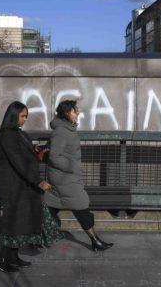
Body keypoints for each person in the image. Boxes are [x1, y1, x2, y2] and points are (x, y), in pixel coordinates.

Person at [0, 101, 63, 273]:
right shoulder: (8, 135)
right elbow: (18, 162)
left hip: (21, 184)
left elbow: (23, 156)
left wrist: (36, 152)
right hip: (13, 185)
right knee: (13, 222)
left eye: (26, 116)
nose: (25, 119)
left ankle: (13, 257)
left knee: (20, 221)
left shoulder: (17, 133)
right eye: (22, 116)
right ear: (13, 115)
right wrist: (37, 181)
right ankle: (2, 259)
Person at [44, 100, 114, 252]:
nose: (78, 113)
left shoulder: (67, 129)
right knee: (81, 207)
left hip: (66, 178)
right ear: (66, 113)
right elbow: (55, 157)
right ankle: (95, 241)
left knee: (52, 208)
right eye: (74, 111)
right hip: (64, 179)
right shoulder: (61, 132)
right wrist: (73, 166)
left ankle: (38, 237)